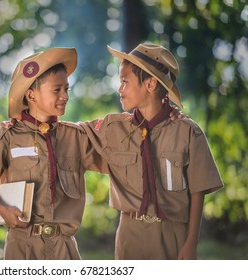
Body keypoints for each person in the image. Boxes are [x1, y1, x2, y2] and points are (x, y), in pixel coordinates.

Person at [79, 43, 223, 259]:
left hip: (172, 234)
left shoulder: (187, 132)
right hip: (129, 234)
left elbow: (197, 192)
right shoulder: (113, 129)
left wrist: (191, 242)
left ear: (150, 84)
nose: (120, 89)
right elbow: (68, 135)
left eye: (125, 82)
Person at [0, 47, 106, 260]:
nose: (65, 96)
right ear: (32, 95)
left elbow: (115, 159)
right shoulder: (7, 137)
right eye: (57, 90)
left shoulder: (75, 137)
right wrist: (4, 210)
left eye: (67, 89)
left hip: (64, 248)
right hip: (22, 247)